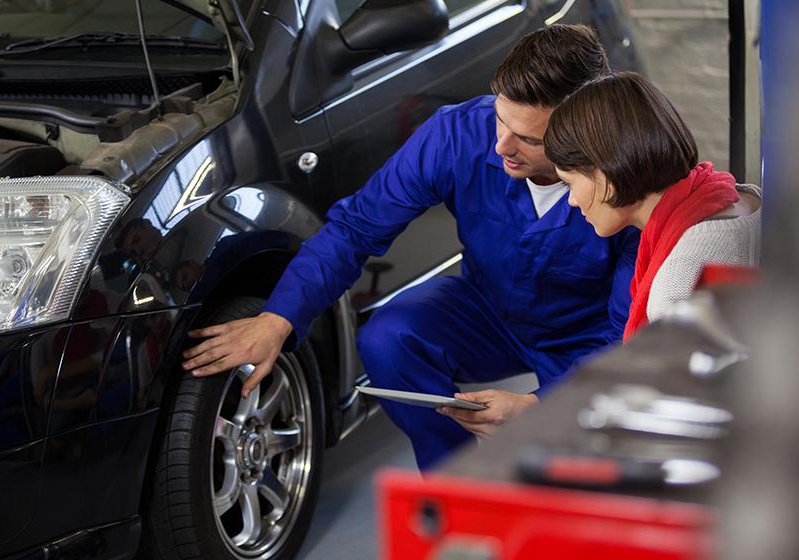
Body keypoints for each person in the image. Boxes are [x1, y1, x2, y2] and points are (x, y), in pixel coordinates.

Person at [182, 25, 640, 470]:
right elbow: (356, 228)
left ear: (582, 131)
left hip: (589, 337)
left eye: (530, 139)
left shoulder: (631, 178)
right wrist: (279, 317)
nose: (502, 146)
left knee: (588, 472)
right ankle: (456, 480)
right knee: (389, 338)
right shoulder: (457, 136)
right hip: (487, 310)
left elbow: (628, 335)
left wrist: (539, 406)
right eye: (501, 119)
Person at [543, 71, 761, 340]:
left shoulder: (678, 286)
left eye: (569, 184)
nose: (572, 200)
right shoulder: (748, 198)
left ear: (606, 175)